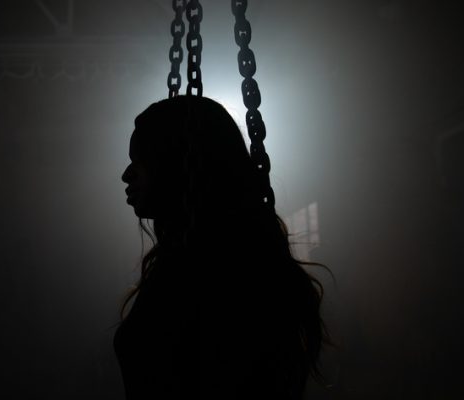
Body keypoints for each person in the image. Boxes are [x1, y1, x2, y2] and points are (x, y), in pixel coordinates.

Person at [114, 95, 329, 399]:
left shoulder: (218, 276)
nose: (126, 174)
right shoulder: (221, 263)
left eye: (140, 161)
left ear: (178, 162)